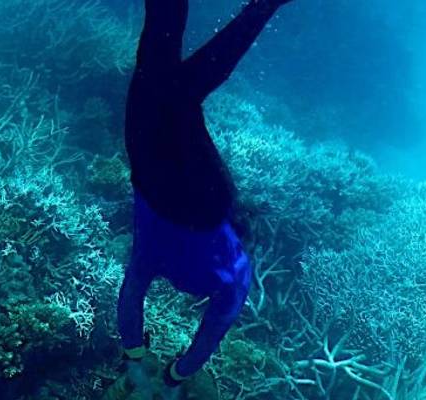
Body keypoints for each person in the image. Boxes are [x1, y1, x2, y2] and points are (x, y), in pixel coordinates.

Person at [117, 0, 295, 397]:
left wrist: (177, 375)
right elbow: (131, 296)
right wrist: (146, 364)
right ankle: (263, 8)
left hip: (203, 202)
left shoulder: (237, 275)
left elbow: (212, 335)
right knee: (157, 53)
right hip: (147, 166)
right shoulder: (149, 259)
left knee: (183, 96)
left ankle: (262, 9)